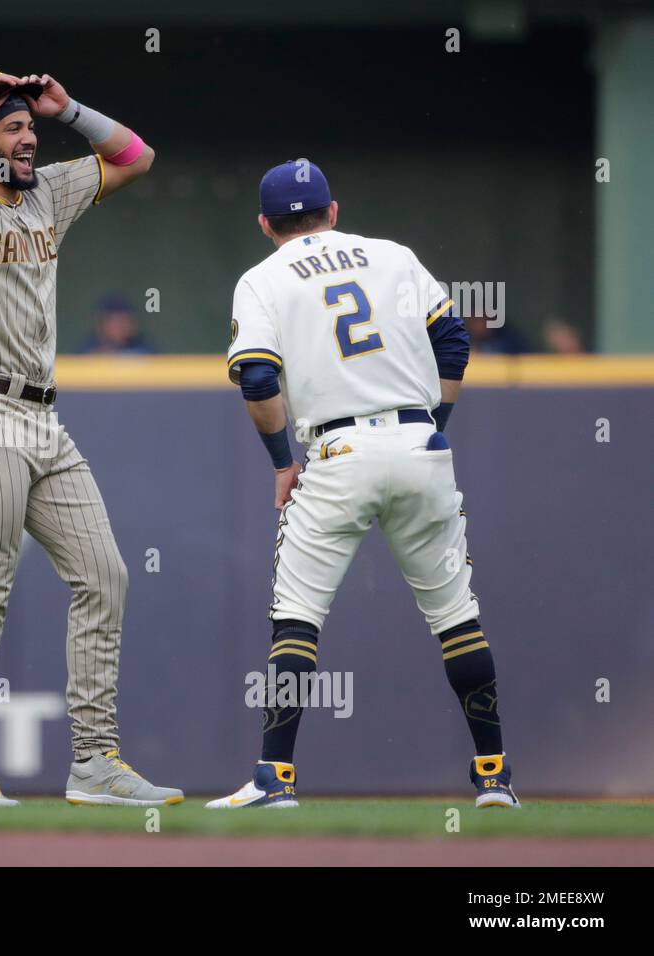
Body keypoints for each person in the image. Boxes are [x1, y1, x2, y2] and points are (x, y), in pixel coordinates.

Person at [207, 160, 519, 810]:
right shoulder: (393, 256)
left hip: (336, 451)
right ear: (334, 210)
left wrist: (280, 462)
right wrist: (434, 428)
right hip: (417, 442)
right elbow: (454, 340)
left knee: (296, 620)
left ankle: (275, 779)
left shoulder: (262, 278)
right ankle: (494, 776)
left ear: (266, 224)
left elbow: (260, 380)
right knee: (455, 617)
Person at [0, 69, 182, 807]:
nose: (29, 138)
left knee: (106, 576)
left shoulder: (46, 193)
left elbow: (135, 158)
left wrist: (70, 110)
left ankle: (93, 762)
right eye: (13, 127)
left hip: (43, 420)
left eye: (32, 127)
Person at [80, 294, 157, 354]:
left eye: (123, 321)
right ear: (101, 324)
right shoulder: (88, 348)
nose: (119, 327)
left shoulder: (143, 346)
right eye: (114, 321)